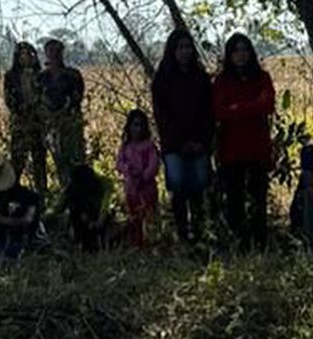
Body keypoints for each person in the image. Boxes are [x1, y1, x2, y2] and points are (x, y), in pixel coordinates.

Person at [213, 33, 277, 251]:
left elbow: (267, 105)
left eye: (244, 49)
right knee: (235, 200)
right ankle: (238, 244)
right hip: (232, 150)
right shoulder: (221, 81)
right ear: (229, 55)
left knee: (259, 198)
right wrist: (250, 106)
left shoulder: (262, 77)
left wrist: (237, 108)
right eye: (236, 50)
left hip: (257, 147)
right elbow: (220, 112)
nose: (241, 54)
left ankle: (260, 243)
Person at [151, 28, 215, 243]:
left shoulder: (201, 78)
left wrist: (203, 141)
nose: (185, 52)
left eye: (188, 47)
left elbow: (209, 113)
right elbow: (161, 116)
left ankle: (198, 233)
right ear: (172, 50)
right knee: (178, 189)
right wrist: (179, 143)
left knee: (198, 189)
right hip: (174, 145)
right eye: (180, 47)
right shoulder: (162, 79)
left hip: (200, 142)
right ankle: (182, 233)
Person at [41, 39, 87, 184]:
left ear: (62, 53)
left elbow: (76, 98)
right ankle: (64, 194)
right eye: (50, 51)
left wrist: (62, 114)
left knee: (76, 163)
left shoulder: (73, 75)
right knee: (59, 163)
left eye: (57, 51)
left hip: (71, 125)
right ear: (46, 54)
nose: (54, 55)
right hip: (52, 127)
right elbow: (38, 101)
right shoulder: (41, 78)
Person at [4, 42, 49, 190]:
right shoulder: (11, 77)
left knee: (40, 163)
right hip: (20, 125)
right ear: (17, 57)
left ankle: (42, 198)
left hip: (38, 125)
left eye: (30, 54)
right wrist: (22, 110)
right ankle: (10, 196)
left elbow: (45, 99)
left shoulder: (41, 76)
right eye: (23, 54)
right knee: (17, 163)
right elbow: (9, 100)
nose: (28, 58)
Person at [116, 109, 160, 246]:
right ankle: (136, 241)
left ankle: (152, 240)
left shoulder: (149, 146)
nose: (137, 129)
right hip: (131, 187)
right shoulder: (125, 147)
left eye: (140, 125)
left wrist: (145, 176)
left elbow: (154, 164)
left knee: (149, 214)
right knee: (134, 215)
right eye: (134, 125)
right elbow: (119, 163)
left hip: (147, 186)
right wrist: (128, 171)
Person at [56, 163, 112, 252]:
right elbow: (58, 208)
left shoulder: (102, 184)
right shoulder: (71, 189)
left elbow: (105, 206)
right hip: (79, 221)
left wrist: (99, 221)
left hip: (96, 216)